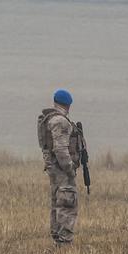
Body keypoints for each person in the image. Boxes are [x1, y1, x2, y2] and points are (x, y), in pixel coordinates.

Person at [37, 89, 82, 246]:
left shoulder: (48, 119)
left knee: (58, 204)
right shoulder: (60, 121)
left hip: (54, 172)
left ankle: (58, 242)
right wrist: (70, 169)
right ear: (68, 105)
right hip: (62, 172)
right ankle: (64, 244)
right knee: (67, 204)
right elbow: (61, 150)